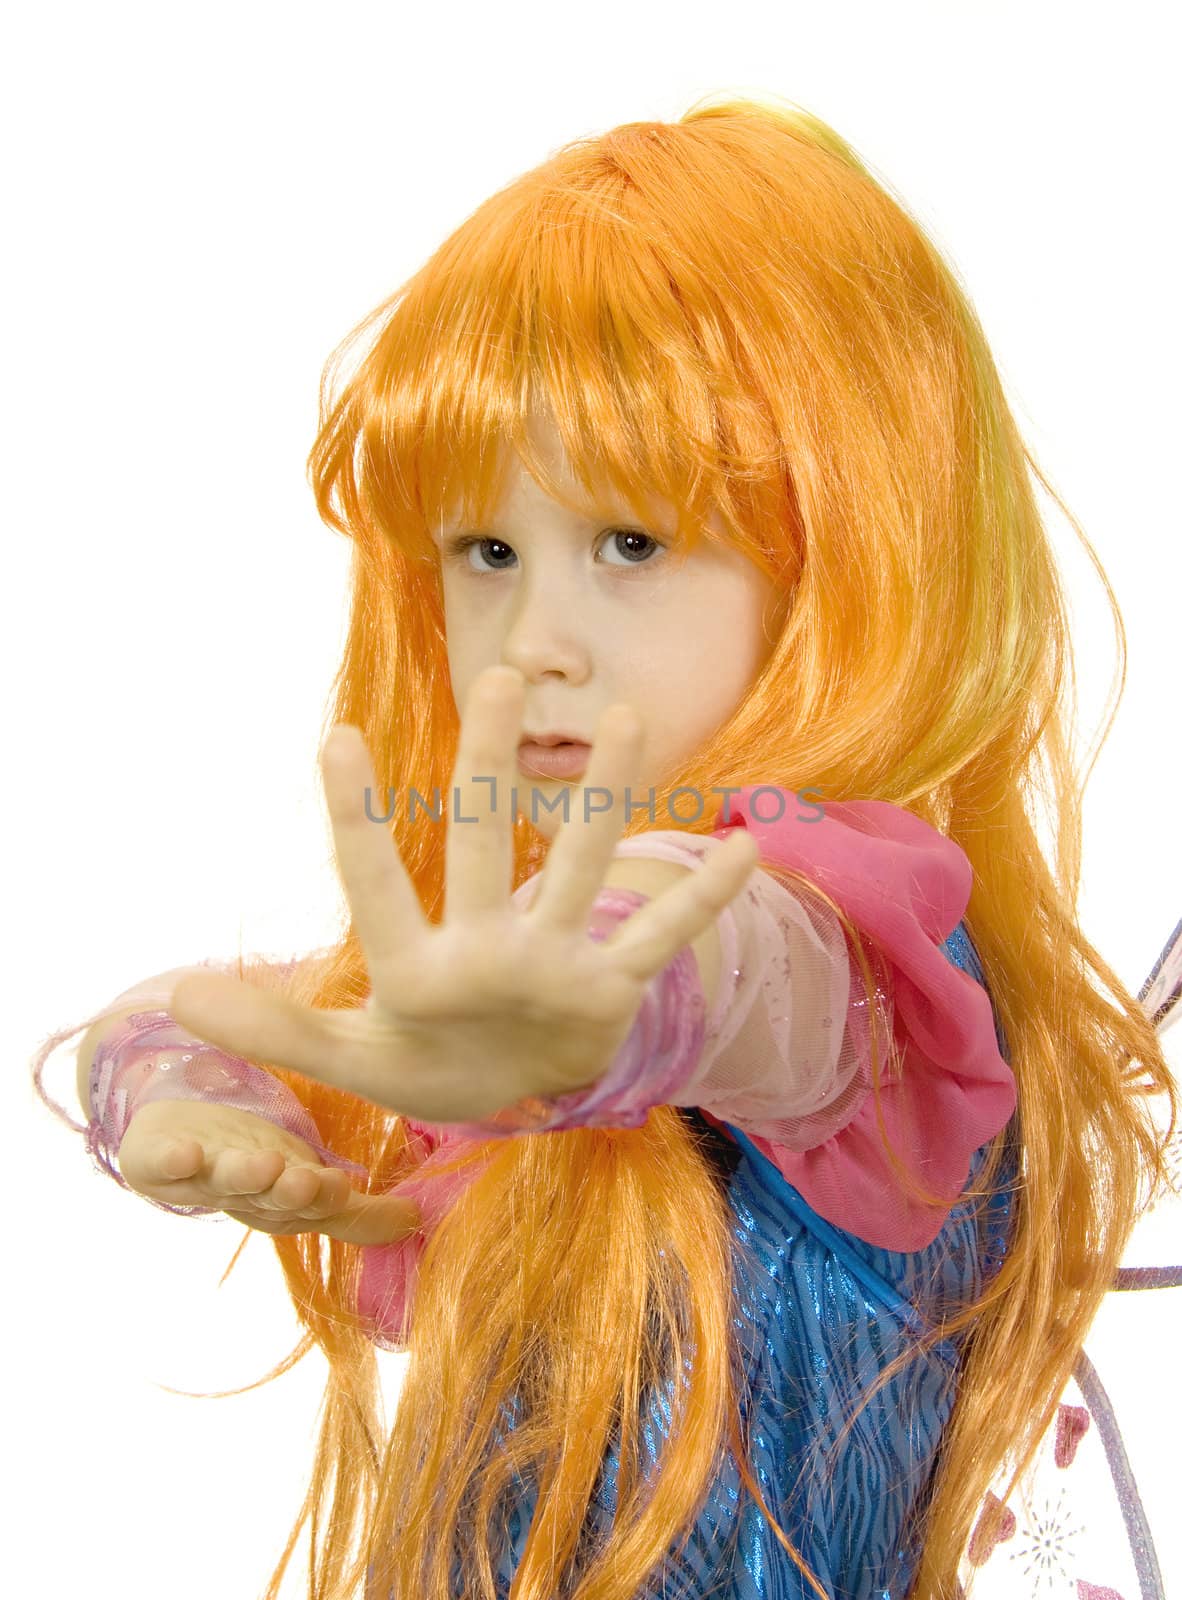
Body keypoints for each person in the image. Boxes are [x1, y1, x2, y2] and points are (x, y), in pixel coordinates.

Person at [30, 95, 1180, 1600]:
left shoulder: (855, 934)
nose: (535, 639)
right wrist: (204, 1100)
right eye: (485, 551)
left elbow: (726, 956)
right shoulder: (496, 965)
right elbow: (182, 1015)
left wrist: (584, 1008)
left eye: (629, 545)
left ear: (845, 545)